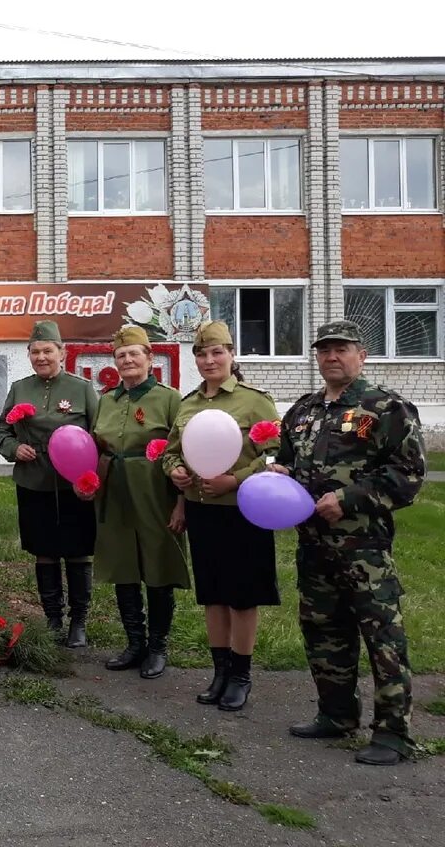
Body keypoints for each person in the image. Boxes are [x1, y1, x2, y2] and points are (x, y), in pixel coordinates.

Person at [273, 319, 425, 765]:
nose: (332, 357)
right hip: (314, 545)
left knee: (382, 636)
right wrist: (280, 474)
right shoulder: (303, 411)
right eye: (324, 350)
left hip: (365, 549)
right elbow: (287, 460)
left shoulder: (385, 407)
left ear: (362, 354)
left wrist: (350, 498)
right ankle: (336, 715)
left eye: (341, 349)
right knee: (324, 630)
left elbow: (409, 475)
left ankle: (393, 732)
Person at [162, 321, 280, 711]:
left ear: (232, 355)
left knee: (243, 597)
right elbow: (172, 451)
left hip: (245, 511)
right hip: (202, 511)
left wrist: (236, 479)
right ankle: (219, 672)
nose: (209, 360)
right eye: (202, 353)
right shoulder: (188, 404)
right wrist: (174, 470)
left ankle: (241, 675)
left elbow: (279, 458)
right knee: (213, 594)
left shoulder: (255, 402)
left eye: (217, 352)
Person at [84, 325, 189, 678]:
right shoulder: (108, 400)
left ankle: (158, 646)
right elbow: (96, 447)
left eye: (134, 354)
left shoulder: (170, 398)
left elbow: (185, 452)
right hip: (115, 492)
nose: (127, 360)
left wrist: (181, 504)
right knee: (123, 566)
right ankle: (134, 642)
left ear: (149, 358)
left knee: (158, 566)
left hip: (157, 493)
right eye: (121, 355)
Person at [0, 321, 99, 647]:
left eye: (48, 351)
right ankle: (53, 618)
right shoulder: (20, 388)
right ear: (29, 355)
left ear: (62, 353)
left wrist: (91, 478)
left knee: (79, 552)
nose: (42, 357)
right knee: (44, 553)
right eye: (35, 352)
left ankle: (78, 621)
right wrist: (14, 449)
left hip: (73, 485)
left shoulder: (82, 389)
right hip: (34, 480)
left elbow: (98, 433)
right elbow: (3, 433)